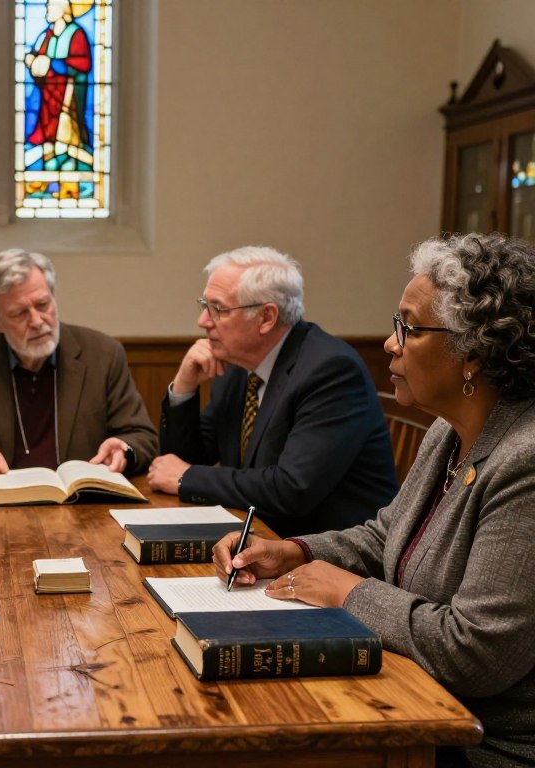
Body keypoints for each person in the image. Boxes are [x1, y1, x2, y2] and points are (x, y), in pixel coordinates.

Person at [213, 233, 535, 768]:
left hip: (480, 742)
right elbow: (388, 534)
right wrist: (293, 551)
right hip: (417, 700)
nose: (390, 343)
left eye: (408, 327)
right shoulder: (448, 431)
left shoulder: (524, 460)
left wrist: (350, 592)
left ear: (473, 352)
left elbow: (477, 653)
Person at [149, 246, 397, 538]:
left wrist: (187, 477)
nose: (202, 321)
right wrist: (184, 387)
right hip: (261, 537)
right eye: (205, 305)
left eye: (217, 309)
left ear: (266, 317)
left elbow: (291, 489)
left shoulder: (330, 370)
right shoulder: (239, 366)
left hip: (330, 554)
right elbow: (182, 461)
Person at [0, 248, 158, 481]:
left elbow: (143, 437)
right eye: (19, 313)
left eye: (43, 304)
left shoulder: (103, 354)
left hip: (85, 505)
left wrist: (124, 448)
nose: (37, 321)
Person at [24, 0, 94, 173]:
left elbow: (83, 64)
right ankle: (47, 172)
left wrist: (54, 64)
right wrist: (31, 60)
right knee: (47, 134)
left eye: (51, 6)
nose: (47, 9)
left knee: (66, 134)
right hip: (47, 95)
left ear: (63, 10)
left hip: (68, 96)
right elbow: (36, 54)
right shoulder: (46, 35)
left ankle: (69, 175)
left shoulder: (76, 34)